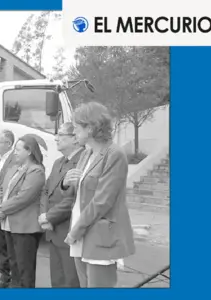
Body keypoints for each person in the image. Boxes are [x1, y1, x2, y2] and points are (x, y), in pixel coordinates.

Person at [62, 102, 136, 288]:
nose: (74, 132)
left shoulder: (115, 154)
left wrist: (76, 230)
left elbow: (103, 201)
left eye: (77, 127)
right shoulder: (87, 154)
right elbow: (79, 191)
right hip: (81, 229)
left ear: (91, 128)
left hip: (99, 234)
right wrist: (67, 183)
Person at [0, 135, 46, 288]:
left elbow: (24, 197)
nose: (14, 152)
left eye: (18, 149)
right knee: (14, 266)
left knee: (25, 269)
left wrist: (2, 209)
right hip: (9, 224)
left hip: (25, 227)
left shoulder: (36, 171)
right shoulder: (14, 168)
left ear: (29, 151)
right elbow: (1, 189)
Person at [38, 123, 84, 288]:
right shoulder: (58, 162)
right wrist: (44, 215)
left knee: (71, 280)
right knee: (57, 279)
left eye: (61, 135)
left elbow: (75, 198)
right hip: (52, 230)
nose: (56, 138)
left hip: (67, 228)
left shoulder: (83, 161)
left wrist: (50, 216)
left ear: (75, 139)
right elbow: (46, 190)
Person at [0, 129, 19, 288]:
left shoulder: (15, 159)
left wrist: (3, 208)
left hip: (8, 209)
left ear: (8, 143)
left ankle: (12, 279)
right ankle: (4, 277)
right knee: (0, 244)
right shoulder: (0, 161)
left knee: (10, 246)